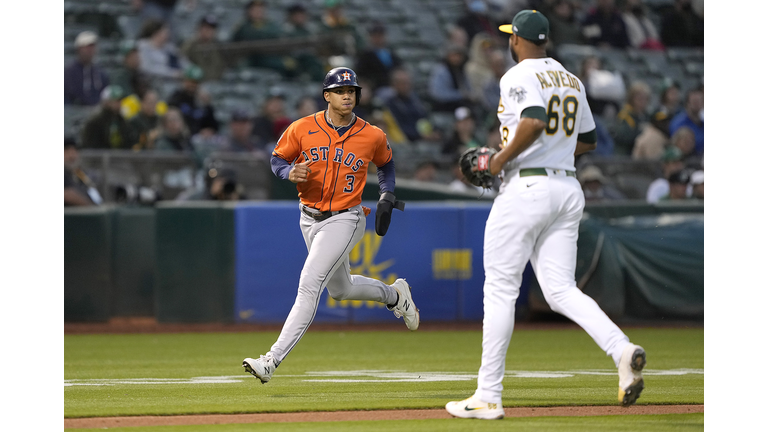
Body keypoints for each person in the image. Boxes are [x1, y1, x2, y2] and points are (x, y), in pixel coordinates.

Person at [445, 10, 646, 420]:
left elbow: (534, 120)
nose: (509, 41)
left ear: (518, 40)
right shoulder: (571, 79)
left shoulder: (518, 74)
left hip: (527, 187)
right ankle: (621, 349)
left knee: (500, 289)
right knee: (560, 290)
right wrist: (550, 153)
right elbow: (588, 140)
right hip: (567, 187)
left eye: (511, 36)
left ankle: (487, 395)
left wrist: (499, 160)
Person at [242, 67, 418, 384]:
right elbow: (277, 158)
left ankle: (271, 360)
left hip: (346, 217)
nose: (347, 95)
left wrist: (387, 193)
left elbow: (386, 164)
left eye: (351, 91)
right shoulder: (302, 128)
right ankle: (395, 295)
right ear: (327, 95)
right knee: (341, 289)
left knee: (310, 284)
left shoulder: (372, 135)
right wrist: (287, 172)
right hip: (308, 217)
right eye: (340, 91)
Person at [230, 0, 286, 73]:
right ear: (249, 11)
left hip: (268, 56)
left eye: (260, 9)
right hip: (249, 57)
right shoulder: (242, 26)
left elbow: (280, 38)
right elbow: (234, 41)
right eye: (255, 9)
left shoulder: (272, 25)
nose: (258, 12)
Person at [383, 68, 438, 143]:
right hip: (407, 141)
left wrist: (435, 131)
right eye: (402, 83)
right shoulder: (390, 104)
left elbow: (425, 117)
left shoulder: (416, 100)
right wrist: (420, 135)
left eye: (408, 82)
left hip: (425, 136)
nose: (406, 86)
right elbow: (399, 126)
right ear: (394, 84)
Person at [167, 65, 220, 136]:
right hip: (180, 137)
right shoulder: (176, 98)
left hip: (198, 138)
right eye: (191, 81)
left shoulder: (203, 101)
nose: (193, 85)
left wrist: (208, 105)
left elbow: (213, 126)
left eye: (196, 82)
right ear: (185, 81)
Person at [80, 85, 134, 149]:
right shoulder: (95, 121)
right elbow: (91, 144)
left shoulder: (121, 119)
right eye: (117, 100)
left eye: (120, 101)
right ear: (106, 102)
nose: (120, 103)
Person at [281, 3, 325, 81]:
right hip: (292, 57)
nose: (299, 17)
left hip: (308, 57)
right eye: (296, 15)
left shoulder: (309, 30)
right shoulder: (286, 30)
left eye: (301, 15)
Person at [354, 22, 403, 92]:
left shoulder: (391, 53)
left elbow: (399, 67)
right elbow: (362, 74)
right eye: (375, 36)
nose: (378, 39)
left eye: (380, 35)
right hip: (377, 88)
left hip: (395, 86)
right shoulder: (365, 56)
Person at [64, 31, 110, 106]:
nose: (90, 50)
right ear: (79, 49)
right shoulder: (69, 73)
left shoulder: (100, 73)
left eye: (92, 47)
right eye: (87, 47)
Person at [428, 43, 474, 112]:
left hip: (460, 104)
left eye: (459, 56)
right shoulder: (441, 71)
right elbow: (438, 94)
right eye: (454, 55)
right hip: (444, 106)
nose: (456, 59)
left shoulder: (461, 70)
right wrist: (461, 95)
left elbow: (468, 88)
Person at [181, 14, 227, 81]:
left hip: (216, 82)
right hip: (195, 82)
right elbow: (182, 62)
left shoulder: (219, 47)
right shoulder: (190, 45)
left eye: (211, 28)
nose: (208, 31)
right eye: (206, 27)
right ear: (199, 28)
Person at [612, 81, 651, 156]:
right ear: (632, 98)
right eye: (639, 98)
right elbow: (623, 135)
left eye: (645, 99)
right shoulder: (625, 114)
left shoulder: (647, 116)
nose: (642, 102)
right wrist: (641, 131)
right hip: (626, 152)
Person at [65, 138, 102, 206]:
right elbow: (68, 195)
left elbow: (92, 189)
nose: (71, 156)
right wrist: (90, 207)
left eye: (74, 151)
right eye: (67, 152)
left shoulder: (80, 173)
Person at [669, 86, 703, 156]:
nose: (697, 104)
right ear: (687, 103)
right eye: (694, 101)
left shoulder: (703, 122)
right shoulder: (679, 123)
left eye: (700, 101)